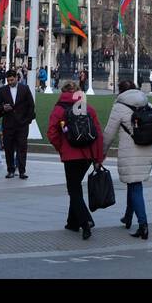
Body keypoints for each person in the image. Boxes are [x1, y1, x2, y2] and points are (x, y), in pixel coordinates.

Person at [101, 80, 152, 240]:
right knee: (134, 184)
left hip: (131, 151)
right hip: (148, 149)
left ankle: (143, 225)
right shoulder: (147, 104)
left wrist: (102, 153)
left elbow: (109, 133)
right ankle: (128, 217)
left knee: (135, 186)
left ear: (121, 91)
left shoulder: (118, 107)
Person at [46, 81, 105, 239]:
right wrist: (98, 157)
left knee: (74, 190)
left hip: (71, 155)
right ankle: (72, 222)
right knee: (75, 187)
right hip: (88, 155)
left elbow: (51, 132)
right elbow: (98, 134)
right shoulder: (88, 108)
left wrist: (61, 148)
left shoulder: (59, 109)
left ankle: (85, 221)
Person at [0, 69, 36, 179]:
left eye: (12, 80)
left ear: (17, 78)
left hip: (22, 124)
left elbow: (31, 105)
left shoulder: (25, 88)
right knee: (8, 148)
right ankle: (10, 170)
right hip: (8, 123)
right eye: (8, 80)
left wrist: (27, 120)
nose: (10, 82)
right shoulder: (3, 90)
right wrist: (3, 108)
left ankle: (22, 171)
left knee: (22, 148)